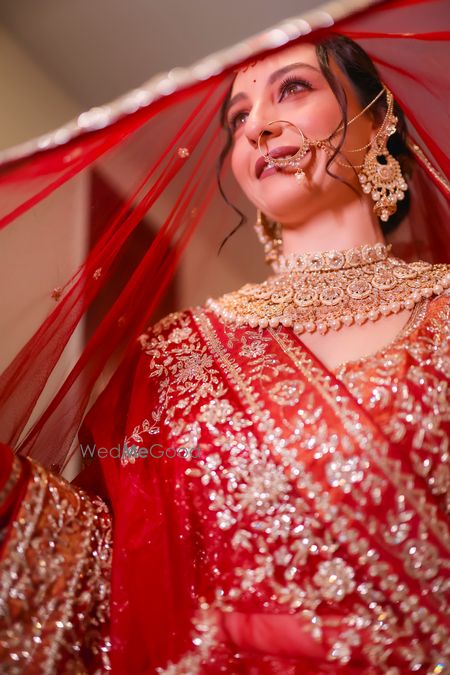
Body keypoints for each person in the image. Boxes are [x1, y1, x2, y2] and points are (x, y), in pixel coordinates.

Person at [0, 1, 449, 673]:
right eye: (238, 118)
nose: (258, 127)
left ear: (378, 117)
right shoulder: (176, 355)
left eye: (292, 89)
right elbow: (111, 581)